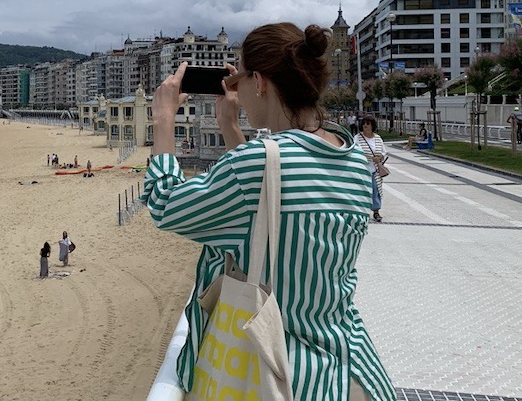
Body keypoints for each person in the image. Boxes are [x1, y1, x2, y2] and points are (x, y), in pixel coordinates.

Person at [144, 22, 393, 400]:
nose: (238, 91)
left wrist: (163, 120)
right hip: (350, 369)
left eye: (240, 78)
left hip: (277, 374)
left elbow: (166, 205)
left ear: (259, 82)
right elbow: (264, 198)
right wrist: (229, 124)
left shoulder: (256, 163)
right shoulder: (355, 160)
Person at [356, 117, 387, 222]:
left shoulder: (378, 138)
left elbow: (383, 152)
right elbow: (353, 151)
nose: (366, 125)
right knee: (362, 191)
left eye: (368, 123)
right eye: (364, 123)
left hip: (375, 170)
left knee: (375, 190)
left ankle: (376, 211)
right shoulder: (357, 138)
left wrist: (380, 157)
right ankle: (361, 211)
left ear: (372, 125)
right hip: (362, 169)